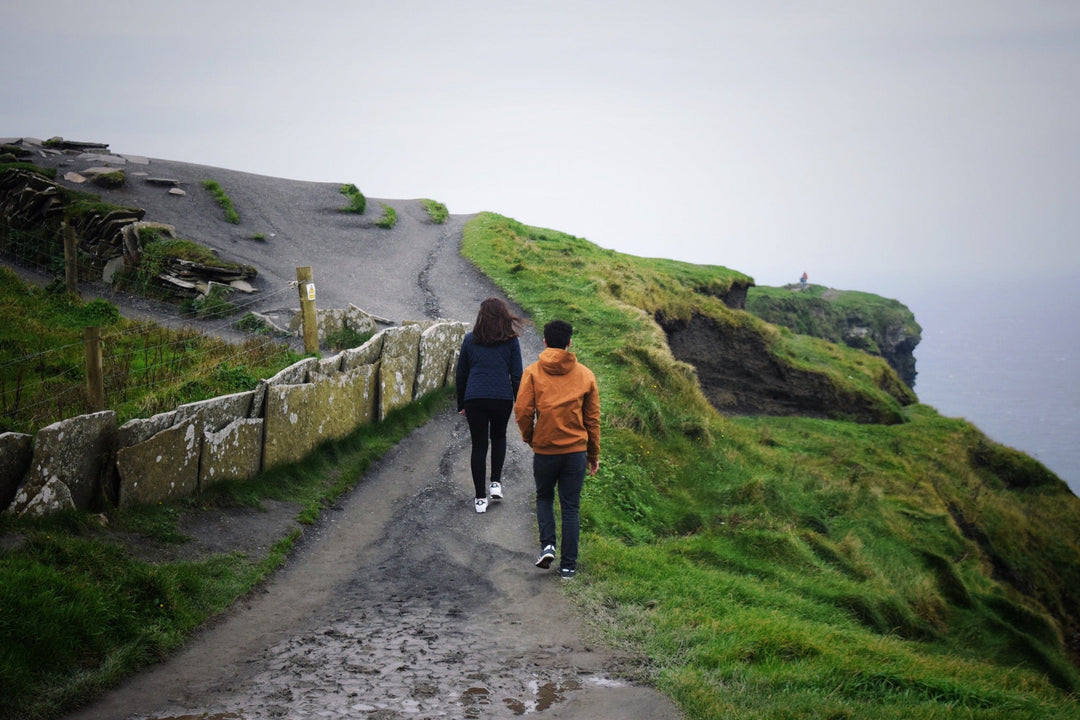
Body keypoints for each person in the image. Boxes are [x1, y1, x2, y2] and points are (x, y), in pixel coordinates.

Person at [514, 319, 600, 579]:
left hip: (546, 450)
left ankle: (548, 545)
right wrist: (593, 454)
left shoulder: (532, 372)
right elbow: (592, 419)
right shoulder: (585, 375)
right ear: (569, 342)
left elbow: (522, 411)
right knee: (570, 507)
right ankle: (568, 567)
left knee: (544, 497)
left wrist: (531, 438)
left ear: (544, 341)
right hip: (575, 452)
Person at [455, 297, 524, 513]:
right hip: (502, 397)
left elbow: (461, 374)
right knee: (499, 436)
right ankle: (495, 483)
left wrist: (461, 403)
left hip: (475, 397)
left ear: (481, 316)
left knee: (479, 445)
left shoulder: (469, 340)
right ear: (504, 316)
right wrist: (519, 403)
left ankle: (479, 499)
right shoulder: (511, 341)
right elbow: (517, 376)